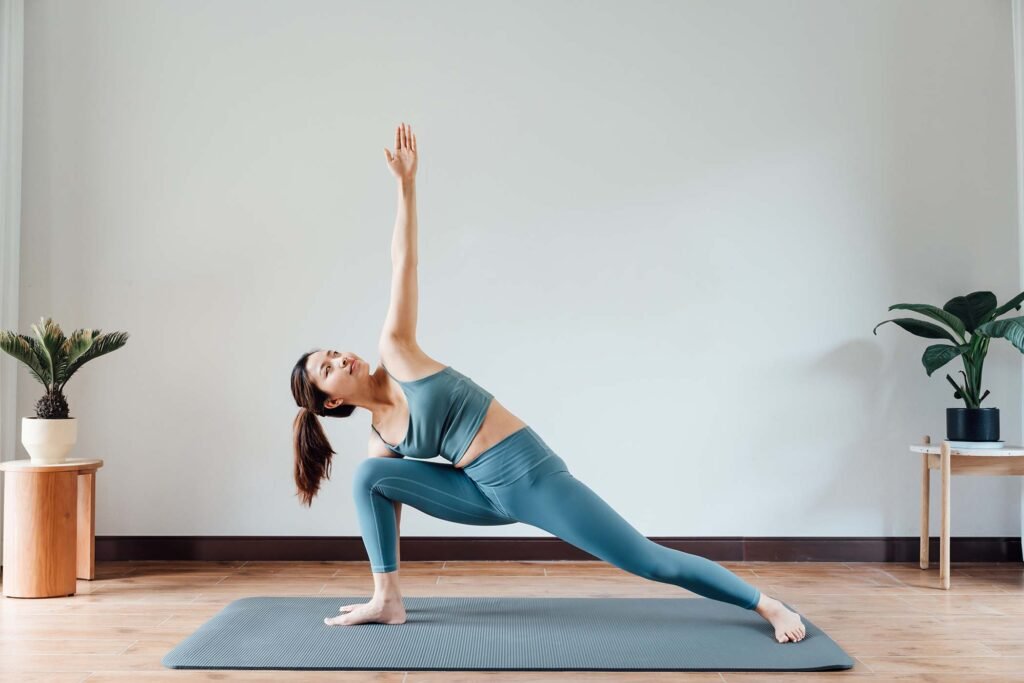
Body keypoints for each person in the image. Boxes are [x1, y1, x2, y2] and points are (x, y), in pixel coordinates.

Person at [289, 123, 806, 644]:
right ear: (331, 401)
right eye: (328, 369)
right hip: (479, 495)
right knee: (369, 476)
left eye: (333, 352)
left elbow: (404, 263)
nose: (341, 358)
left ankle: (766, 604)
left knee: (647, 561)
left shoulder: (396, 351)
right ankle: (388, 600)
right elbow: (386, 505)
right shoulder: (381, 438)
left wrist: (406, 185)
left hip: (528, 478)